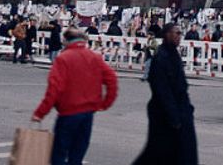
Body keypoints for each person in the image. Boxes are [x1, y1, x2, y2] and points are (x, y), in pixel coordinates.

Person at [33, 27, 120, 165]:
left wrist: (40, 113)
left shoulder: (63, 59)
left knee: (59, 154)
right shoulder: (95, 58)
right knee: (77, 155)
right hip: (88, 114)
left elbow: (54, 89)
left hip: (68, 113)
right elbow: (112, 79)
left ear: (66, 41)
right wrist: (105, 103)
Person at [134, 26, 198, 164]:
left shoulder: (173, 54)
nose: (179, 36)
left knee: (174, 153)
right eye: (177, 33)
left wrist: (188, 109)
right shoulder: (161, 57)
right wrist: (174, 116)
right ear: (167, 35)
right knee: (157, 153)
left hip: (179, 111)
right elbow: (162, 90)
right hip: (165, 114)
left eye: (181, 33)